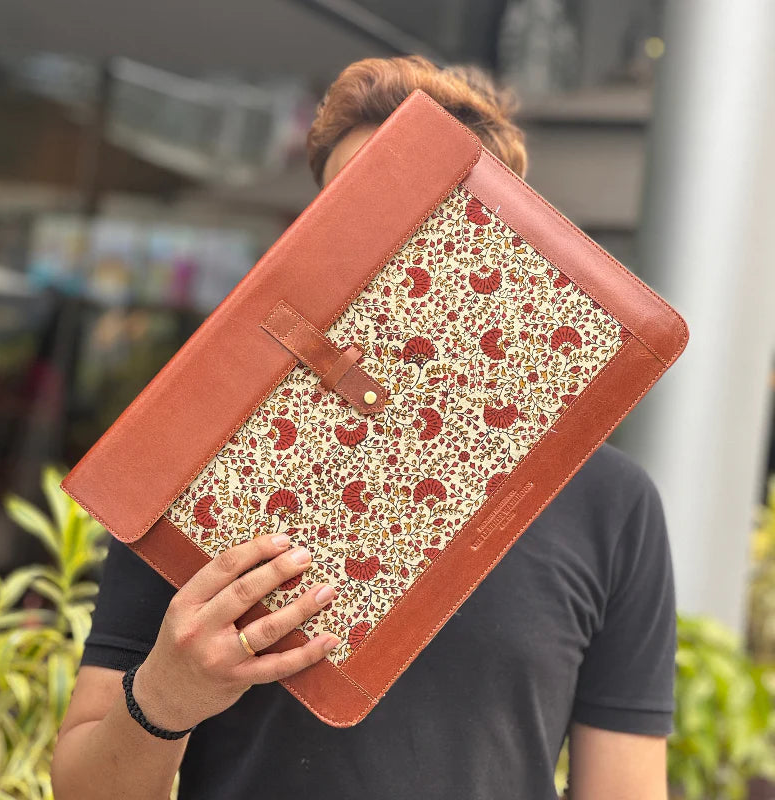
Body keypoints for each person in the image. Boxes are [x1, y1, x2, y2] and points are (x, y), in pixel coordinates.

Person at [50, 55, 675, 800]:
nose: (380, 248)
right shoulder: (197, 470)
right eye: (344, 214)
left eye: (418, 207)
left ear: (508, 243)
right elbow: (83, 790)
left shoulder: (610, 501)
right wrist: (165, 695)